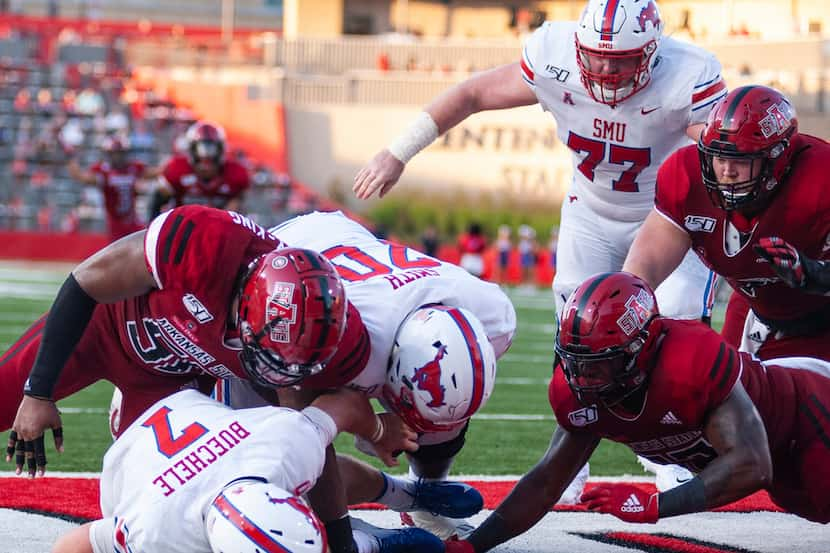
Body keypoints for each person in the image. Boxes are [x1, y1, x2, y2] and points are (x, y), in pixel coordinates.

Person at [353, 0, 722, 495]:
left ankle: (674, 449)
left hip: (669, 216)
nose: (606, 71)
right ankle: (569, 461)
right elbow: (471, 94)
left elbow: (721, 151)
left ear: (653, 55)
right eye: (596, 57)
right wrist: (395, 151)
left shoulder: (687, 75)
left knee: (677, 323)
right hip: (591, 210)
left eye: (621, 60)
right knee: (576, 332)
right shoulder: (555, 56)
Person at [445, 272, 830, 553]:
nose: (583, 378)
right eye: (576, 362)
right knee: (810, 507)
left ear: (642, 348)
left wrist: (656, 506)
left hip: (810, 415)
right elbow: (547, 481)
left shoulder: (687, 365)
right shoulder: (579, 392)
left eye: (599, 363)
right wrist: (475, 545)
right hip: (777, 462)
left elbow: (751, 464)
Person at [219, 210, 517, 546]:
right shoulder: (340, 338)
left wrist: (416, 422)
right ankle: (373, 523)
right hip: (285, 274)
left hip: (346, 255)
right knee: (264, 462)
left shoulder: (494, 318)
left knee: (446, 406)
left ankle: (424, 498)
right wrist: (371, 428)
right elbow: (303, 431)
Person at [2, 205, 369, 476]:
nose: (272, 370)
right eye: (268, 353)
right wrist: (38, 393)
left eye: (284, 363)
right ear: (248, 300)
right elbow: (84, 283)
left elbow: (300, 435)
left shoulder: (317, 336)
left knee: (165, 492)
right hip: (102, 328)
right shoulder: (206, 244)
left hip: (166, 384)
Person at [50, 386, 443, 553]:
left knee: (318, 458)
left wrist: (377, 429)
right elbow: (80, 543)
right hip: (140, 434)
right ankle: (370, 543)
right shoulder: (157, 531)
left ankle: (403, 493)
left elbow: (343, 403)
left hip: (216, 423)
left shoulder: (282, 444)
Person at [623, 84, 830, 361]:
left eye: (742, 160)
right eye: (719, 157)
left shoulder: (820, 179)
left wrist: (817, 275)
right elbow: (644, 268)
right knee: (723, 394)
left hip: (823, 317)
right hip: (757, 312)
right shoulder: (687, 179)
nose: (727, 172)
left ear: (777, 158)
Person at [148, 121, 250, 219]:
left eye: (211, 150)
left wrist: (235, 204)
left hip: (221, 231)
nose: (206, 156)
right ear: (191, 150)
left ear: (221, 150)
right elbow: (159, 200)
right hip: (184, 230)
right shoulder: (177, 169)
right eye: (200, 149)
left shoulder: (236, 174)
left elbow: (240, 210)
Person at [68, 136, 161, 242]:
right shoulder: (104, 171)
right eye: (115, 153)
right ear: (109, 154)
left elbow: (154, 173)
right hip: (115, 224)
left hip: (132, 220)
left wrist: (169, 166)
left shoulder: (133, 168)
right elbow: (82, 177)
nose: (118, 157)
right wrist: (71, 159)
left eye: (120, 153)